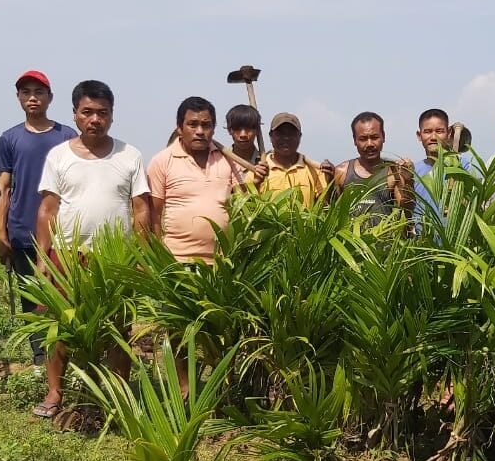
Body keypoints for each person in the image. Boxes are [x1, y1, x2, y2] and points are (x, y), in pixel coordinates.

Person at [32, 80, 151, 418]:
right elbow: (47, 210)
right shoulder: (59, 156)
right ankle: (55, 392)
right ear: (75, 114)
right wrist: (43, 258)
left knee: (117, 326)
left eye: (102, 113)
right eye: (87, 112)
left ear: (112, 115)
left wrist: (140, 257)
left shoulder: (129, 155)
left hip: (115, 258)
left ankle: (118, 393)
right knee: (61, 324)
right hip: (68, 255)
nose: (95, 119)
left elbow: (141, 209)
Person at [0, 70, 78, 365]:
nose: (33, 98)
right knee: (31, 296)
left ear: (50, 98)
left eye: (39, 92)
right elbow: (3, 188)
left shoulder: (67, 136)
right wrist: (1, 233)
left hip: (62, 233)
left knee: (64, 293)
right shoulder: (10, 139)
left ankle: (67, 351)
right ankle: (41, 356)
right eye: (26, 92)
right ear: (18, 98)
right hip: (22, 232)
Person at [147, 96, 240, 263]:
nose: (200, 131)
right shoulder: (162, 161)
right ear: (179, 128)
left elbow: (243, 199)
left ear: (213, 129)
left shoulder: (228, 160)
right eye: (192, 124)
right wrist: (160, 257)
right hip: (178, 260)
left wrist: (257, 179)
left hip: (223, 263)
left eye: (206, 125)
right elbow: (154, 213)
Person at [332, 111, 413, 220]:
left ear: (383, 137)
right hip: (349, 231)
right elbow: (331, 213)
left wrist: (408, 181)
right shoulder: (342, 172)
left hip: (384, 231)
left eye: (374, 137)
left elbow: (406, 213)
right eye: (363, 139)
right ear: (355, 140)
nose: (369, 144)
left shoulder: (393, 172)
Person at [412, 108, 478, 228]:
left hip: (455, 237)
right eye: (427, 131)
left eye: (439, 131)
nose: (433, 137)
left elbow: (474, 203)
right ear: (419, 135)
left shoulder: (464, 167)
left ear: (448, 133)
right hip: (423, 238)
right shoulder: (413, 172)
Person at [252, 113, 332, 204]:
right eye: (280, 133)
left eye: (291, 133)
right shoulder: (258, 171)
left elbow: (324, 206)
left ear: (300, 136)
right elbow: (247, 206)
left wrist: (330, 181)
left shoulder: (315, 171)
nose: (286, 138)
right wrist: (256, 184)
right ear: (271, 136)